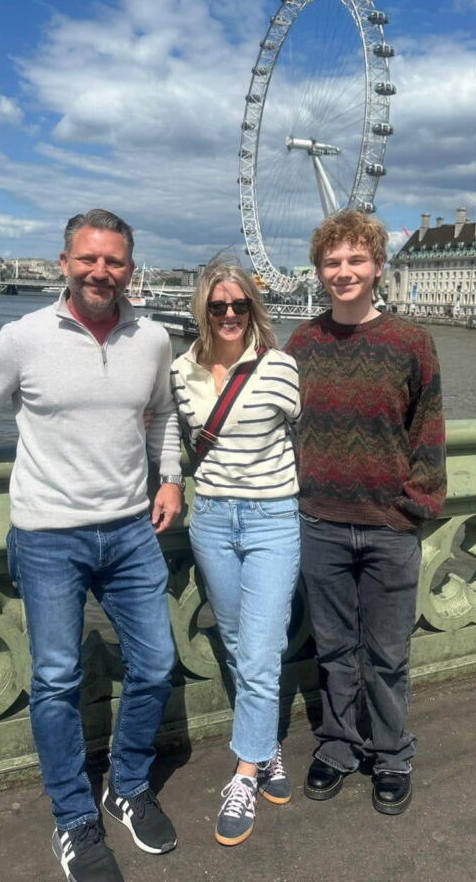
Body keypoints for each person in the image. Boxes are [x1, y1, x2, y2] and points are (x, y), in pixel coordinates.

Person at [0, 209, 184, 882]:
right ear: (64, 263)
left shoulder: (151, 340)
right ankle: (75, 820)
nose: (100, 271)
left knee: (155, 665)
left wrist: (170, 476)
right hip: (47, 537)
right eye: (88, 259)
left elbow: (166, 414)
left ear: (130, 269)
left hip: (129, 531)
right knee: (56, 680)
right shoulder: (21, 338)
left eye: (114, 261)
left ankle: (126, 786)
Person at [285, 209, 446, 817]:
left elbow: (428, 427)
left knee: (386, 652)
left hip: (390, 525)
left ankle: (392, 753)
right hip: (320, 521)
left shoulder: (411, 341)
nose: (344, 271)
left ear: (378, 266)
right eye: (333, 262)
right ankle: (339, 745)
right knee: (332, 648)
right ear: (320, 272)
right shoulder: (303, 342)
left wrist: (416, 506)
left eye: (356, 260)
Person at [170, 263, 300, 846]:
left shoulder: (280, 368)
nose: (228, 316)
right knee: (233, 640)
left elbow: (311, 438)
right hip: (213, 519)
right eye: (218, 307)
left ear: (254, 310)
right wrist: (169, 480)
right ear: (202, 309)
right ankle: (268, 747)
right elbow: (171, 438)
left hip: (274, 517)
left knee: (262, 647)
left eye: (239, 306)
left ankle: (245, 772)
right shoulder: (180, 371)